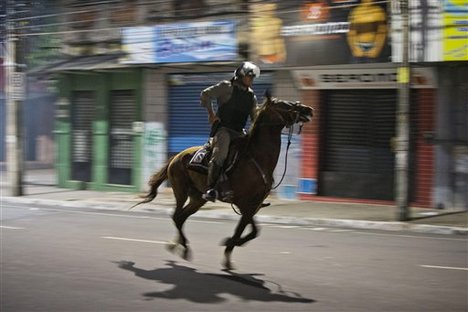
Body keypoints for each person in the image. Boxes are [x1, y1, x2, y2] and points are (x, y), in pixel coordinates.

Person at [199, 61, 260, 202]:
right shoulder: (226, 87)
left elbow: (254, 117)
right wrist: (211, 114)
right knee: (221, 154)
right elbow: (205, 95)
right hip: (223, 130)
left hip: (239, 132)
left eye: (253, 78)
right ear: (240, 75)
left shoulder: (251, 96)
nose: (251, 80)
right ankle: (211, 188)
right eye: (249, 77)